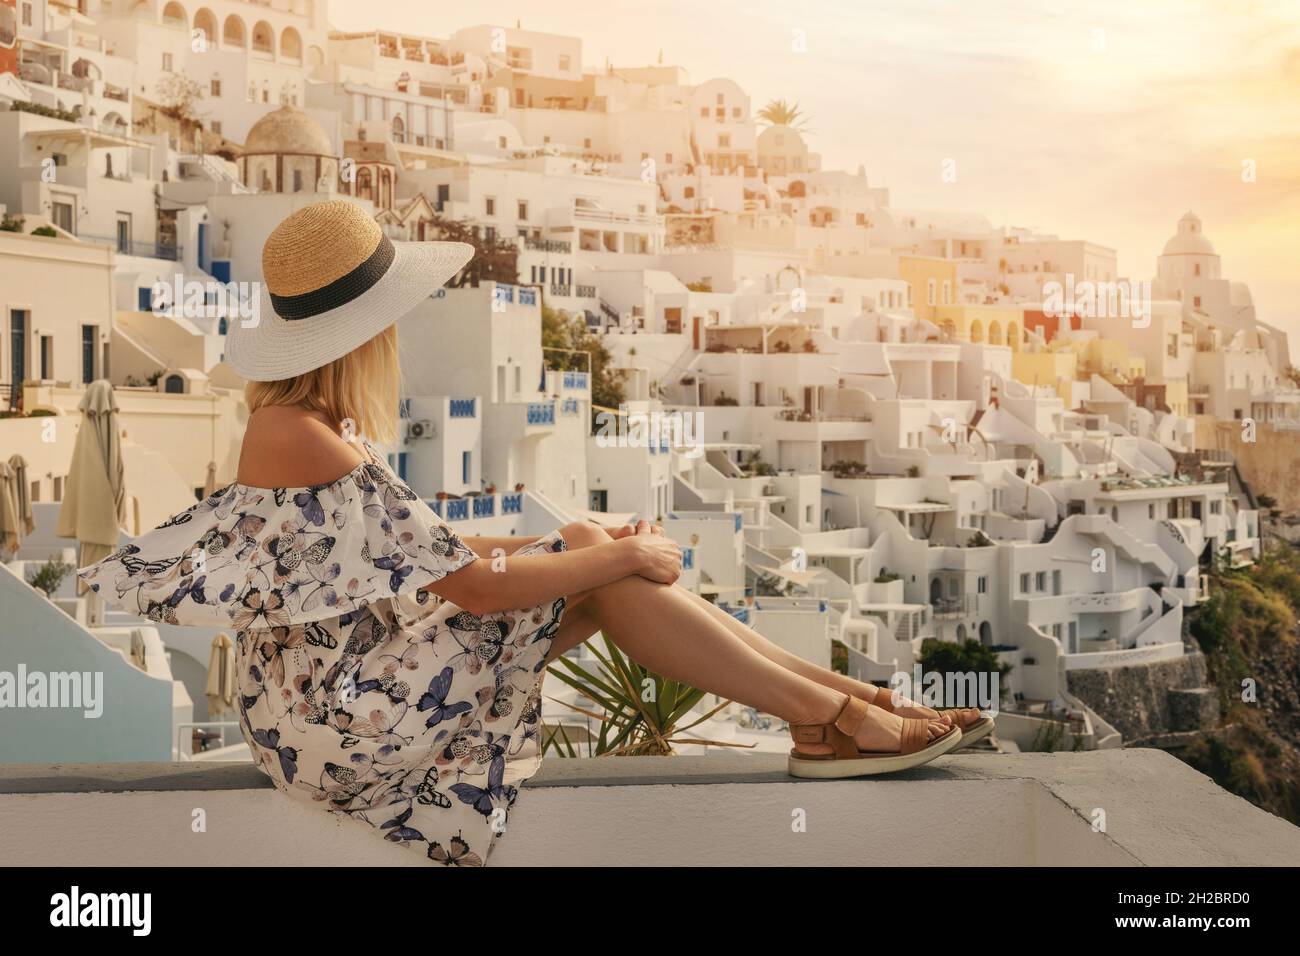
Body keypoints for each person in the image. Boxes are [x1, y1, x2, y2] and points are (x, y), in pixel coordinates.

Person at [80, 200, 985, 866]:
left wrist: (587, 547)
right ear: (358, 330)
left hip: (324, 706)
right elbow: (468, 591)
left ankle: (854, 711)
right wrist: (620, 555)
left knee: (592, 547)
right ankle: (839, 720)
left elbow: (437, 557)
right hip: (344, 721)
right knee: (613, 570)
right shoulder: (300, 437)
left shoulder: (301, 425)